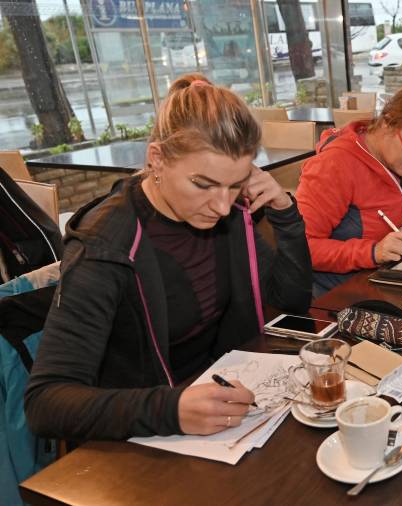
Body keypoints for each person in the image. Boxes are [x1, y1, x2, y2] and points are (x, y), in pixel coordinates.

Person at [25, 74, 313, 441]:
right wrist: (172, 409)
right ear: (156, 159)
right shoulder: (105, 246)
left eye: (236, 184)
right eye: (203, 184)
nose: (223, 205)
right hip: (141, 432)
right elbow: (46, 402)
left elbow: (292, 303)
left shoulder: (228, 215)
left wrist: (284, 211)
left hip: (219, 404)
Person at [297, 83, 402, 295]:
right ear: (387, 123)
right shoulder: (334, 166)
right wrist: (373, 252)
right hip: (339, 294)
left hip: (388, 282)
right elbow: (302, 248)